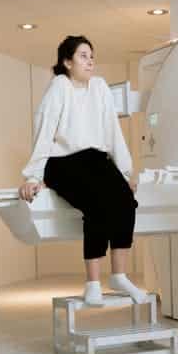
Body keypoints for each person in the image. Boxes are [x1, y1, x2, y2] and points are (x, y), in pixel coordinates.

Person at [18, 35, 146, 306]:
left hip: (95, 160)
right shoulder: (59, 86)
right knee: (96, 205)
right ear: (67, 62)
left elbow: (112, 131)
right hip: (62, 162)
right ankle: (93, 283)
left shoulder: (99, 87)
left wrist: (125, 171)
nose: (90, 61)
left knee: (126, 201)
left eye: (92, 56)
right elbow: (45, 129)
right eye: (83, 56)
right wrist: (34, 176)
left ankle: (119, 276)